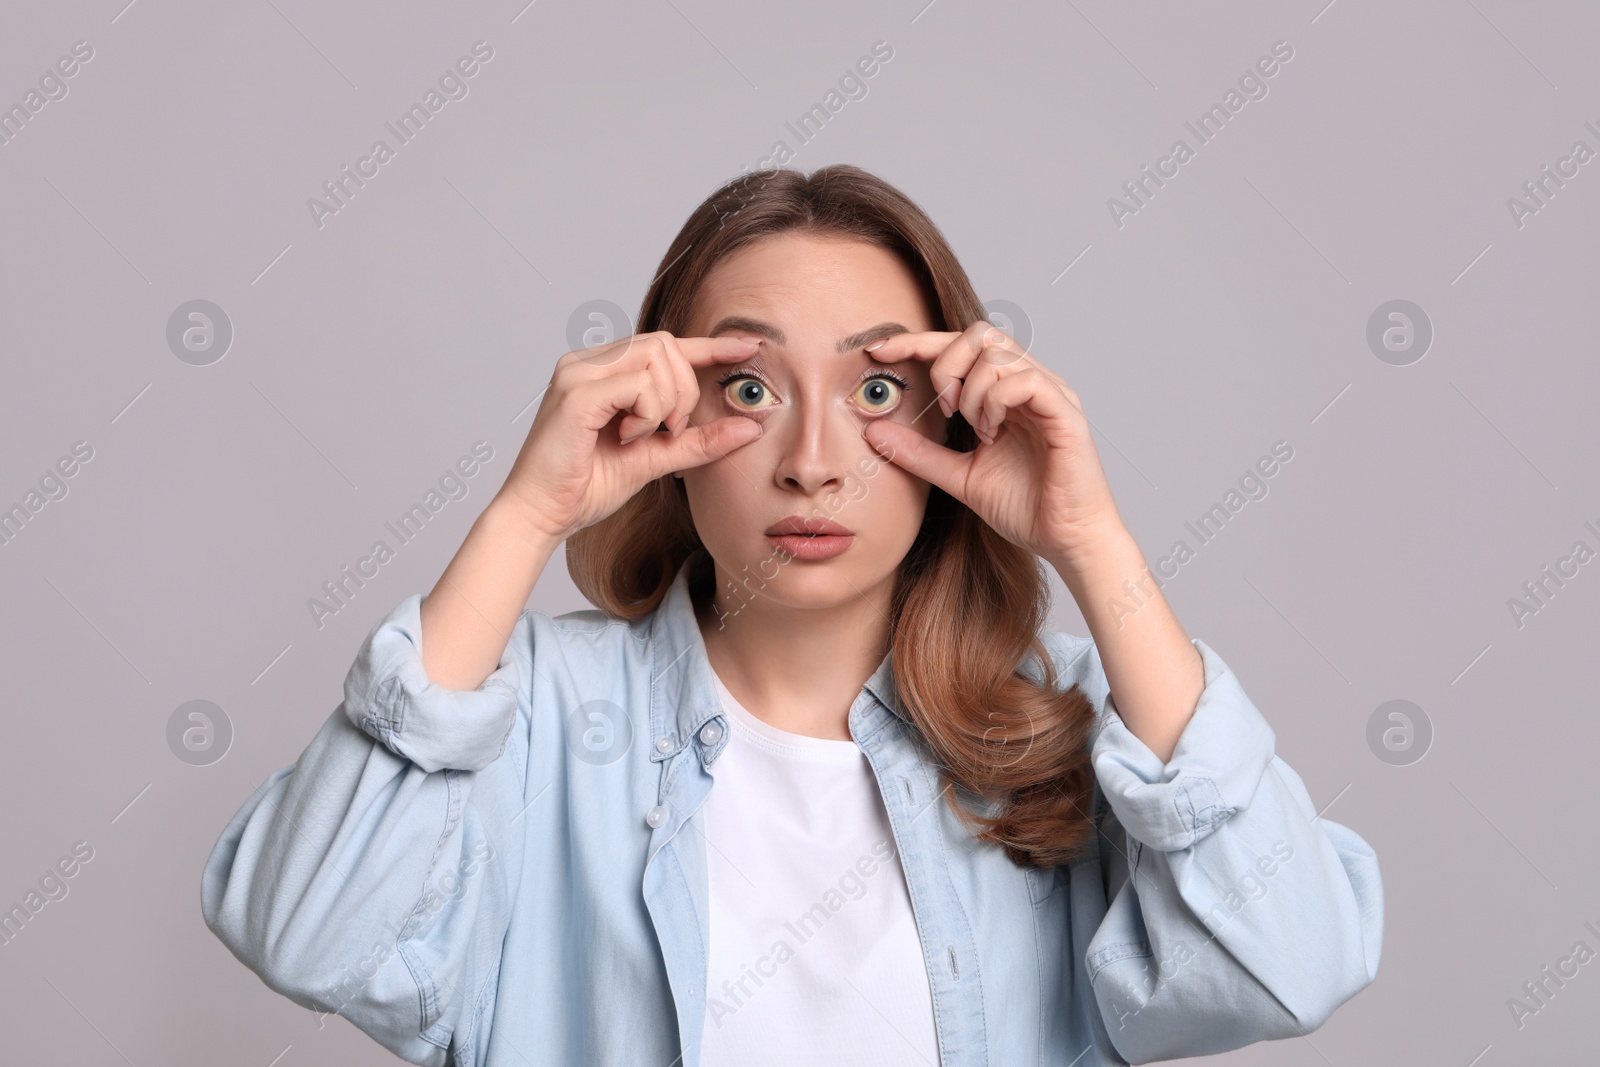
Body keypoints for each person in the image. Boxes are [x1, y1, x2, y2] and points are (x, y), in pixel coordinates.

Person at [200, 164, 1383, 1067]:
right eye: (750, 389)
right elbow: (307, 930)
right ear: (662, 418)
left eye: (876, 391)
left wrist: (1094, 542)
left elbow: (1293, 961)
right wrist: (523, 515)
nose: (813, 462)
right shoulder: (536, 714)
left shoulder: (1057, 728)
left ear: (955, 425)